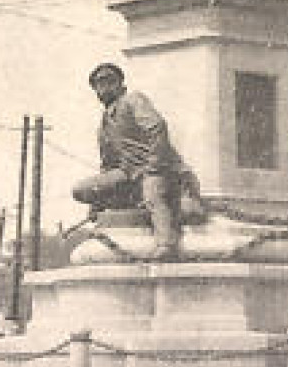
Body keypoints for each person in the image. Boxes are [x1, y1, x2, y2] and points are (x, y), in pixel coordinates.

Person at [71, 63, 201, 259]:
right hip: (128, 174)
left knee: (153, 194)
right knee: (81, 189)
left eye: (110, 81)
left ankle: (167, 245)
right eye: (99, 84)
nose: (104, 87)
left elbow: (157, 127)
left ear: (121, 84)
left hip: (158, 168)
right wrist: (97, 202)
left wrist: (153, 166)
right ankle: (128, 201)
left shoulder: (133, 100)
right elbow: (108, 165)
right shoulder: (105, 123)